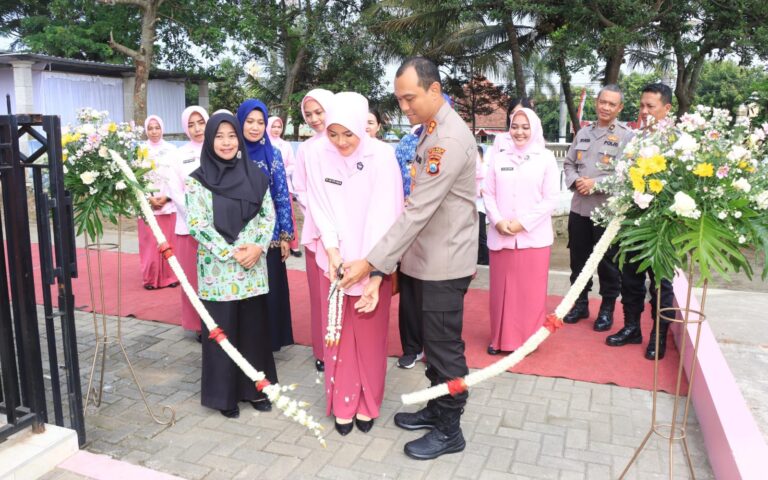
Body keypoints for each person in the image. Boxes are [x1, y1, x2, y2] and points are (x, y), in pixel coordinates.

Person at [341, 57, 478, 460]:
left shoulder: (449, 140)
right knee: (428, 346)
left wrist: (371, 263)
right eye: (400, 99)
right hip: (421, 258)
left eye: (410, 98)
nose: (404, 107)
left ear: (434, 90)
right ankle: (438, 407)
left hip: (444, 263)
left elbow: (417, 210)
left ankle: (451, 428)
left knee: (444, 347)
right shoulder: (430, 131)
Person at [304, 91, 404, 436]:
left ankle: (368, 402)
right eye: (333, 133)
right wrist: (332, 252)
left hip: (373, 261)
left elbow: (386, 214)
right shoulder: (318, 154)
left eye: (349, 133)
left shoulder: (382, 156)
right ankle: (343, 402)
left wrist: (373, 272)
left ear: (363, 126)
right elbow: (319, 205)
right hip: (334, 260)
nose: (341, 141)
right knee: (338, 334)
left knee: (370, 335)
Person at [185, 112, 276, 418]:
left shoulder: (256, 176)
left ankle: (256, 388)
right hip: (219, 270)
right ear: (209, 141)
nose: (226, 142)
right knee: (222, 332)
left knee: (253, 332)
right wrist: (230, 252)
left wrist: (258, 247)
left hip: (252, 266)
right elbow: (197, 224)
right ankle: (224, 396)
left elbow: (268, 216)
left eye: (231, 136)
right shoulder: (197, 181)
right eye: (219, 136)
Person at [606, 83, 675, 360]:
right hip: (632, 224)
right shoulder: (631, 139)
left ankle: (658, 337)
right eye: (642, 106)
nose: (644, 112)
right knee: (630, 279)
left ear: (666, 109)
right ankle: (632, 328)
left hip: (662, 226)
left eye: (651, 107)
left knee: (660, 283)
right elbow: (618, 175)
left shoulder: (678, 141)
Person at [483, 108, 559, 354]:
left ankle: (528, 342)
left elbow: (550, 199)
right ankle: (499, 339)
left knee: (530, 294)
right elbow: (488, 192)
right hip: (501, 234)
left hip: (533, 238)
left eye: (525, 127)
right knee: (501, 292)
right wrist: (497, 221)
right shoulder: (499, 156)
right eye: (515, 126)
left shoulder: (545, 158)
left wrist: (521, 223)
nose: (519, 132)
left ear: (535, 128)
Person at [561, 84, 633, 331]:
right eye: (603, 102)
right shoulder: (583, 133)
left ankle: (606, 310)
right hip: (579, 209)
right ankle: (579, 304)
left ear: (619, 107)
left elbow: (627, 175)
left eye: (612, 104)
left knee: (608, 264)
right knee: (578, 261)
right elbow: (569, 164)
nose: (606, 107)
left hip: (607, 212)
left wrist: (596, 183)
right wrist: (576, 181)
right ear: (597, 102)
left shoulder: (626, 136)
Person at [393, 92, 456, 370]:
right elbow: (394, 181)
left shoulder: (453, 141)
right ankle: (411, 347)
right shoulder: (407, 143)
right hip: (408, 225)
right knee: (409, 292)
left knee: (435, 294)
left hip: (440, 229)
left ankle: (435, 350)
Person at [237, 99, 295, 353]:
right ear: (240, 122)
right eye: (249, 121)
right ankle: (244, 340)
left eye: (260, 122)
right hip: (237, 234)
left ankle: (269, 341)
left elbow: (281, 194)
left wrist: (285, 235)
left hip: (268, 236)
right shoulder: (231, 152)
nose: (255, 127)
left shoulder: (274, 154)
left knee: (270, 291)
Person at [292, 88, 335, 372]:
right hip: (316, 231)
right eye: (308, 114)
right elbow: (300, 188)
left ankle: (342, 345)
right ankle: (322, 350)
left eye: (319, 112)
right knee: (319, 295)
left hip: (346, 230)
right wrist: (319, 214)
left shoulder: (344, 141)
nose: (315, 119)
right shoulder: (306, 148)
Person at [167, 106, 208, 338]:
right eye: (191, 125)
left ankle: (218, 322)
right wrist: (195, 215)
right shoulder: (178, 154)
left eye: (200, 122)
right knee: (192, 278)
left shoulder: (218, 148)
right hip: (188, 227)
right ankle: (198, 325)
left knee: (212, 277)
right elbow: (175, 189)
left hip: (217, 226)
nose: (196, 129)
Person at [138, 115, 179, 290]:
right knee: (149, 243)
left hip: (168, 203)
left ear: (162, 129)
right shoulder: (140, 150)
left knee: (169, 241)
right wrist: (148, 198)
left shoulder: (172, 150)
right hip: (147, 203)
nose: (154, 131)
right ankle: (151, 278)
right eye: (150, 128)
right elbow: (136, 178)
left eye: (157, 127)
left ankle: (171, 276)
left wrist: (167, 197)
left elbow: (177, 178)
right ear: (146, 130)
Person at [267, 115, 302, 258]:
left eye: (279, 126)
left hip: (284, 185)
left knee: (288, 215)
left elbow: (293, 165)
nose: (276, 129)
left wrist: (279, 172)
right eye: (273, 126)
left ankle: (293, 245)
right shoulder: (264, 144)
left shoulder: (286, 145)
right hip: (267, 186)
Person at [475, 145, 489, 266]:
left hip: (480, 206)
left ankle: (485, 258)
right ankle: (479, 257)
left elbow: (485, 190)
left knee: (481, 234)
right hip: (472, 206)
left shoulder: (485, 169)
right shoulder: (472, 170)